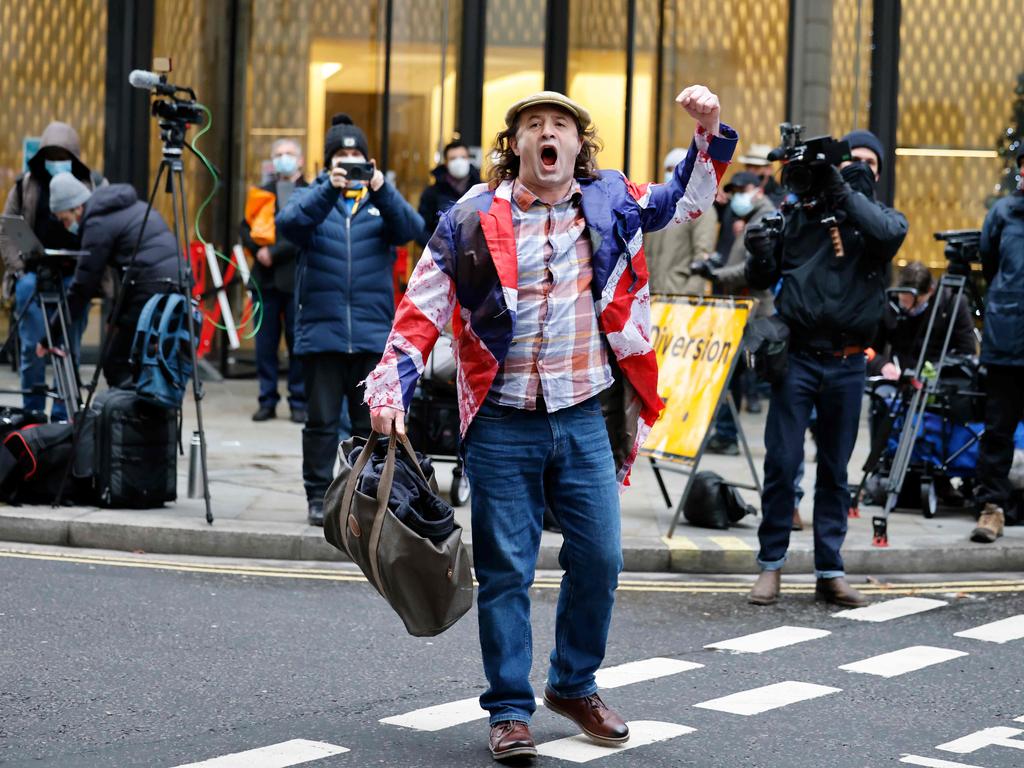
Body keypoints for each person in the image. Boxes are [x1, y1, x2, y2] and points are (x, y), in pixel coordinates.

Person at [364, 86, 736, 761]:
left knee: (600, 559)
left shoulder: (611, 200)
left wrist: (707, 131)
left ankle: (572, 684)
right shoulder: (469, 219)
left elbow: (686, 200)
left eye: (559, 124)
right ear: (516, 147)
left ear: (576, 144)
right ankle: (509, 710)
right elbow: (420, 308)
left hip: (584, 414)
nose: (547, 133)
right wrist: (391, 384)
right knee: (506, 571)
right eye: (533, 124)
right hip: (502, 421)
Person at [744, 128, 907, 608]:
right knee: (783, 462)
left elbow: (888, 233)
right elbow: (764, 277)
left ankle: (829, 571)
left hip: (849, 363)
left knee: (835, 471)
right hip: (798, 357)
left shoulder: (878, 221)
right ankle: (770, 566)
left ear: (878, 171)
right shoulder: (801, 215)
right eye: (848, 161)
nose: (857, 169)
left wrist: (841, 189)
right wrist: (760, 250)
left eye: (867, 164)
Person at [276, 114, 423, 527]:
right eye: (341, 156)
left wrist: (382, 188)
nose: (350, 162)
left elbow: (413, 228)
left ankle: (366, 495)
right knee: (320, 422)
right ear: (328, 164)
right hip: (322, 333)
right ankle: (318, 497)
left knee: (369, 426)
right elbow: (287, 225)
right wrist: (328, 187)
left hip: (371, 334)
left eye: (357, 155)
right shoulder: (313, 198)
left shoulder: (379, 205)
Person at [1, 121, 106, 419]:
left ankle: (62, 414)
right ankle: (32, 411)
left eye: (64, 155)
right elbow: (6, 229)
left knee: (68, 346)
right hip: (32, 274)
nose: (58, 161)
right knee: (32, 348)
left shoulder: (92, 185)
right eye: (52, 154)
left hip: (74, 274)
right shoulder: (25, 184)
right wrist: (20, 269)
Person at [36, 175, 181, 388]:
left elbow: (82, 287)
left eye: (65, 219)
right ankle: (146, 413)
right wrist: (115, 316)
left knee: (116, 362)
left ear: (77, 208)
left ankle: (131, 418)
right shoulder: (128, 207)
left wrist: (50, 335)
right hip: (171, 281)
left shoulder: (97, 223)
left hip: (151, 286)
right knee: (142, 359)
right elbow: (130, 272)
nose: (67, 226)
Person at [694, 170, 777, 455]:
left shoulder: (765, 217)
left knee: (774, 375)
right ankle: (726, 435)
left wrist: (716, 274)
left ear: (759, 189)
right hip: (739, 309)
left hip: (756, 309)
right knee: (733, 373)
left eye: (745, 189)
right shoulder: (745, 216)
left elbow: (752, 270)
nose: (738, 195)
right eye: (736, 190)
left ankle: (813, 430)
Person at [972, 150, 1024, 543]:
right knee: (998, 430)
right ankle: (992, 509)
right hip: (1007, 338)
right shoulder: (1004, 213)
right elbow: (988, 263)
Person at [240, 138, 308, 424]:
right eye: (278, 154)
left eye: (289, 154)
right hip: (264, 281)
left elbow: (307, 230)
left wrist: (275, 251)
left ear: (300, 160)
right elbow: (245, 228)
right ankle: (266, 399)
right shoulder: (260, 192)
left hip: (296, 278)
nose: (283, 158)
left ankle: (299, 400)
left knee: (298, 344)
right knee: (265, 345)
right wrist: (258, 251)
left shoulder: (311, 192)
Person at [643, 147, 718, 296]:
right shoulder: (657, 205)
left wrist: (688, 296)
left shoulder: (701, 208)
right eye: (668, 169)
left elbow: (702, 257)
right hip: (652, 297)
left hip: (679, 298)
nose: (671, 174)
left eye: (677, 168)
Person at [416, 139, 480, 247]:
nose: (459, 162)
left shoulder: (480, 190)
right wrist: (438, 248)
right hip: (441, 258)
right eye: (453, 158)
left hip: (475, 257)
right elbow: (421, 229)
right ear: (446, 162)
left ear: (468, 159)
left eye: (463, 157)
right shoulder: (432, 193)